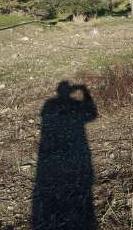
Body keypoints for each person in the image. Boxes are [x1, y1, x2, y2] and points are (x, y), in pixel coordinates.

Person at [32, 81, 97, 230]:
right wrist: (85, 90)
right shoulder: (61, 103)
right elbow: (92, 114)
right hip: (73, 151)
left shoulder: (49, 104)